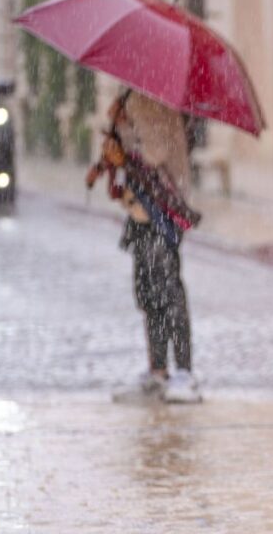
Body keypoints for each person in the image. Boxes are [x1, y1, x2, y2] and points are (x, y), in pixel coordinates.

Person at [86, 89, 201, 404]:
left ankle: (184, 373)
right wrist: (115, 136)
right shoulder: (134, 96)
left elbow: (153, 154)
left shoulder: (151, 99)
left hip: (161, 213)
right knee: (149, 295)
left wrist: (122, 133)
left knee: (168, 293)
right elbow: (132, 157)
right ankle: (159, 372)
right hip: (142, 214)